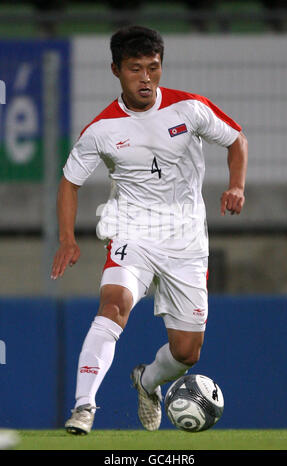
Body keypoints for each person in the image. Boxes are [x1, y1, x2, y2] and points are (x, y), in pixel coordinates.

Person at [51, 25, 248, 435]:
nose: (145, 78)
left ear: (161, 67)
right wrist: (67, 239)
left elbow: (236, 140)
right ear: (116, 70)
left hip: (187, 240)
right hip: (132, 233)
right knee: (113, 305)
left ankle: (146, 381)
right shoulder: (102, 129)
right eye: (135, 69)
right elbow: (69, 182)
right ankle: (84, 407)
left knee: (186, 352)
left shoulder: (189, 109)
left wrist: (236, 185)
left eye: (153, 68)